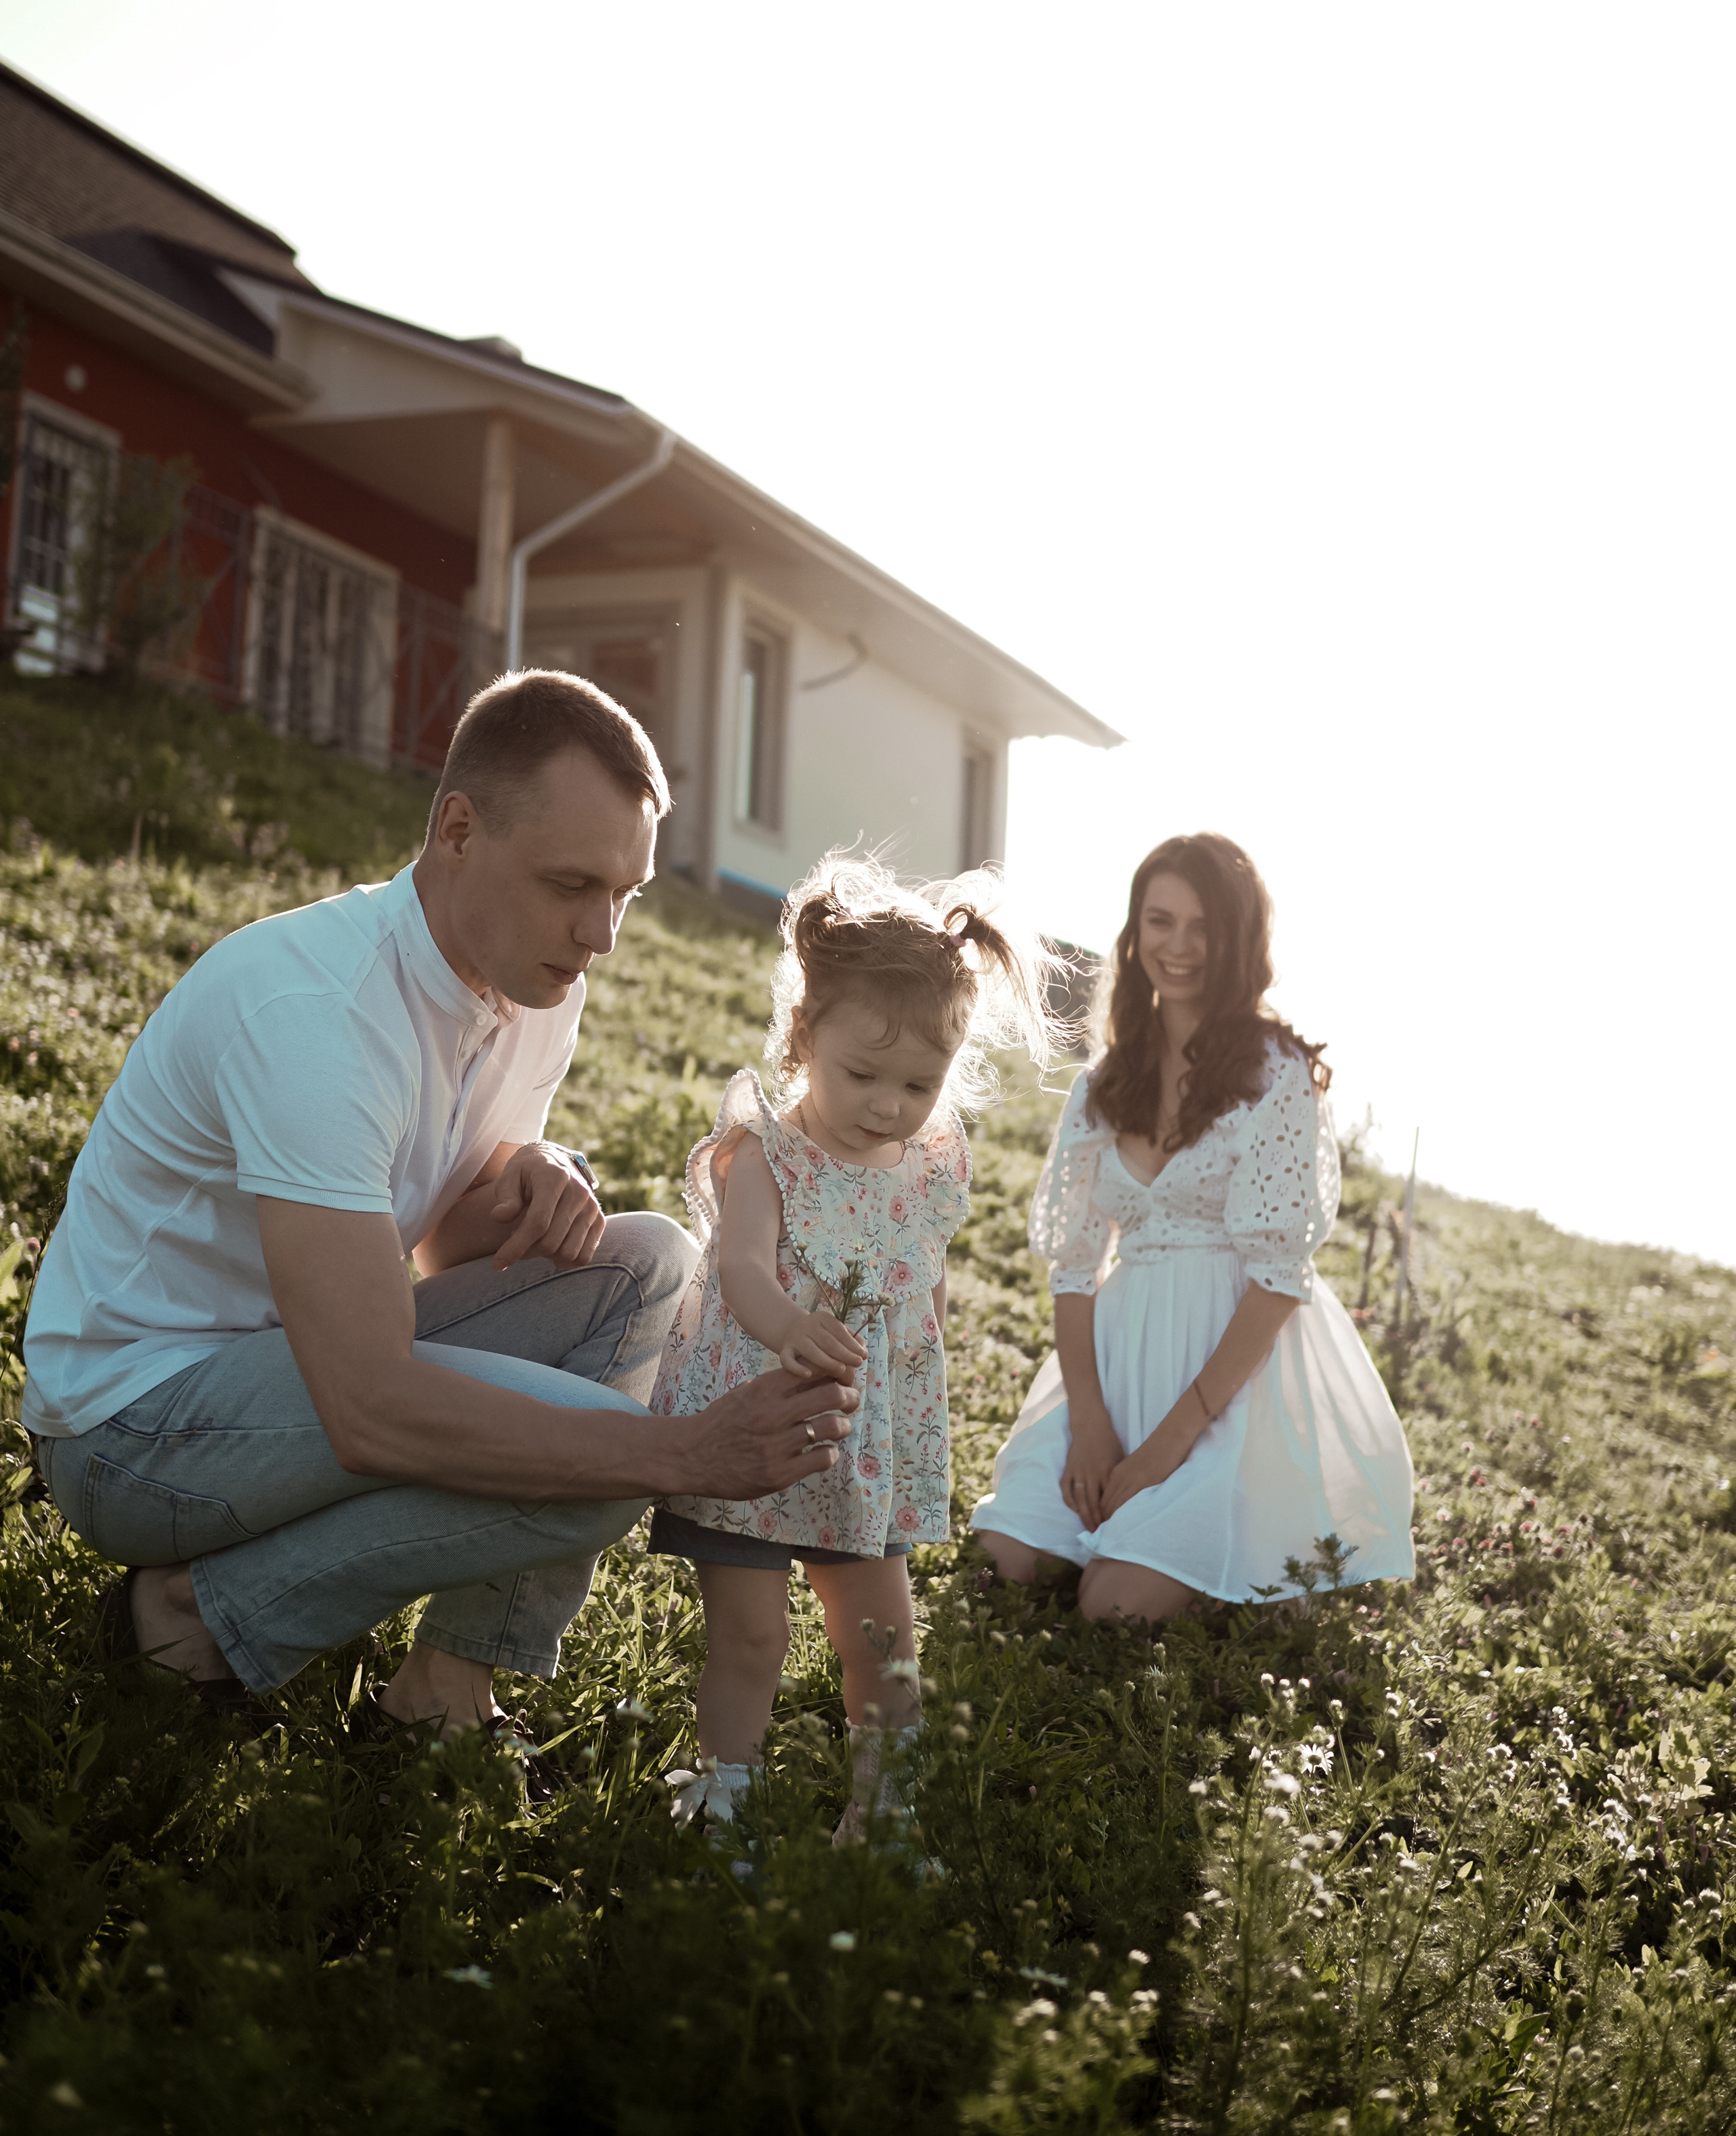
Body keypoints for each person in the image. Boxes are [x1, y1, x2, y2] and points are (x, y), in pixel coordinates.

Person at [22, 670, 854, 1762]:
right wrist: (684, 1451)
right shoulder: (316, 1012)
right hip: (134, 1427)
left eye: (627, 893)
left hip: (295, 1366)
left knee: (650, 1260)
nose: (601, 933)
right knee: (607, 1461)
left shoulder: (532, 978)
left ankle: (445, 1686)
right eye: (572, 884)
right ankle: (194, 1619)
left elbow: (432, 1242)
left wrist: (523, 1181)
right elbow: (371, 1406)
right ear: (457, 830)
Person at [646, 853, 1061, 1842]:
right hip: (756, 1418)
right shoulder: (769, 1151)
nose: (888, 1104)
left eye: (921, 1082)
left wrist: (918, 1363)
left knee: (884, 1638)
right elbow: (741, 1268)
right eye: (863, 1074)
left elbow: (926, 1279)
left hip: (863, 1444)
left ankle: (883, 1813)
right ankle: (723, 1807)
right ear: (804, 1035)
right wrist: (790, 1327)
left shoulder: (926, 1166)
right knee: (751, 1634)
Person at [970, 833, 1413, 1625]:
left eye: (1202, 925)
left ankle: (1219, 1550)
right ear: (1134, 932)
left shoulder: (1278, 1075)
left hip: (1227, 1381)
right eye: (1159, 920)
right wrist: (1091, 1426)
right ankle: (1133, 1533)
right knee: (1010, 1561)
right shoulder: (1104, 1083)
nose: (1178, 945)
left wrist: (1164, 1450)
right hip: (1115, 1361)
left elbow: (1278, 1282)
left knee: (1113, 1607)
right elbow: (1075, 1267)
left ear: (1238, 939)